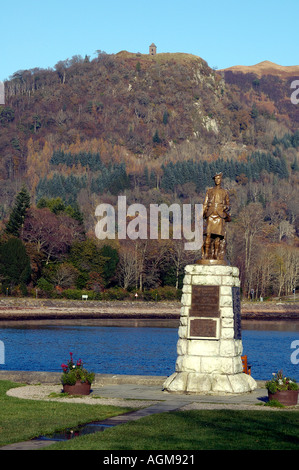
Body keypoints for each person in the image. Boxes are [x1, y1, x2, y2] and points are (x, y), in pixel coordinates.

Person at [202, 172, 230, 260]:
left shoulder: (224, 192)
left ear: (221, 180)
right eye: (216, 179)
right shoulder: (209, 191)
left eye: (219, 179)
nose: (217, 180)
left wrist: (225, 207)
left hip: (220, 214)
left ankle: (216, 254)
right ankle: (206, 254)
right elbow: (205, 204)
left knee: (218, 236)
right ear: (214, 180)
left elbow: (228, 204)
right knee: (208, 235)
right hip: (210, 214)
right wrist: (202, 214)